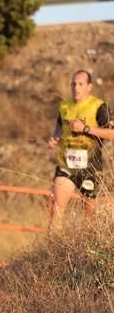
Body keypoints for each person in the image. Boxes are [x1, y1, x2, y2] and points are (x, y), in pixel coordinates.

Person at [48, 69, 111, 227]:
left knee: (88, 219)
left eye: (80, 84)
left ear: (89, 87)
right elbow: (59, 125)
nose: (76, 87)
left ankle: (85, 249)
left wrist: (85, 129)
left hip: (90, 166)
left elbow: (112, 133)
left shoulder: (99, 107)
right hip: (67, 163)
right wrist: (55, 137)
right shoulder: (64, 105)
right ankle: (52, 248)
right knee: (57, 209)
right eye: (73, 84)